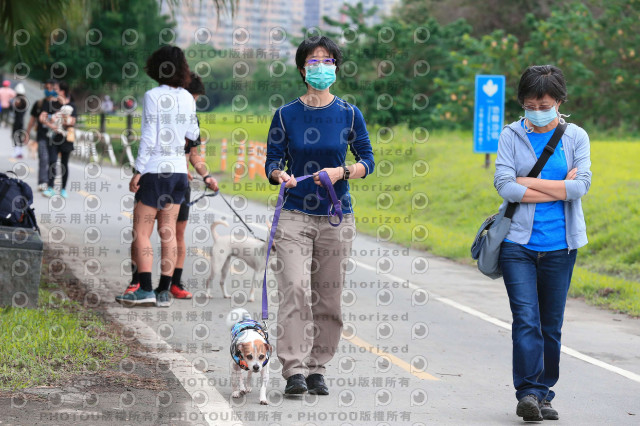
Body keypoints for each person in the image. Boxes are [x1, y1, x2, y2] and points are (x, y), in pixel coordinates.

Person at [265, 36, 375, 395]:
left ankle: (317, 368)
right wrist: (278, 175)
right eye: (314, 61)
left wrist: (342, 172)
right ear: (302, 68)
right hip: (294, 214)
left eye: (328, 61)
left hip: (335, 216)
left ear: (336, 69)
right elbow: (272, 161)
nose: (322, 67)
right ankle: (294, 369)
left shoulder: (349, 113)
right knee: (294, 288)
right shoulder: (285, 114)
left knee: (328, 296)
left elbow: (367, 161)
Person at [494, 65, 592, 422]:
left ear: (560, 102)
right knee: (526, 320)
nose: (537, 111)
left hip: (561, 246)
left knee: (550, 324)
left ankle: (545, 393)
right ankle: (528, 393)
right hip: (517, 244)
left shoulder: (576, 137)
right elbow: (505, 186)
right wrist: (558, 190)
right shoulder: (510, 135)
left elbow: (581, 188)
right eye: (531, 104)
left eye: (545, 103)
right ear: (522, 102)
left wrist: (528, 183)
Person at [120, 72, 218, 300]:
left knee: (175, 233)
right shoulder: (162, 110)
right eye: (193, 96)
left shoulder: (191, 117)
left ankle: (172, 283)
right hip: (155, 174)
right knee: (142, 232)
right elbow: (149, 138)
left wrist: (207, 176)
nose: (193, 102)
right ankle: (137, 282)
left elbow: (195, 155)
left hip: (178, 182)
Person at [115, 46, 198, 307]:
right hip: (178, 173)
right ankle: (164, 291)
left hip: (155, 171)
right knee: (168, 232)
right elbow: (193, 133)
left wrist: (138, 170)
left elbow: (149, 137)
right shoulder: (187, 97)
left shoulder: (152, 95)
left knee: (141, 231)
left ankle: (145, 289)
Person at [42, 81, 76, 198]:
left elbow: (72, 121)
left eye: (56, 89)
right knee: (52, 161)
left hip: (66, 138)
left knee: (64, 163)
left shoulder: (71, 105)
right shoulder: (50, 103)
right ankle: (50, 187)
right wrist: (52, 125)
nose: (54, 91)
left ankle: (63, 189)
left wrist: (65, 117)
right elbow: (42, 118)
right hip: (53, 137)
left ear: (63, 91)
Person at [26, 79, 60, 191]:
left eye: (50, 88)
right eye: (46, 88)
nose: (48, 90)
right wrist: (27, 133)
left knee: (52, 160)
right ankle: (42, 182)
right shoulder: (39, 103)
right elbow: (32, 120)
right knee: (43, 158)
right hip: (42, 135)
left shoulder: (60, 104)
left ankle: (50, 182)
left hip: (56, 137)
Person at [11, 83, 28, 159]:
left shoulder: (19, 100)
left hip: (18, 120)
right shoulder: (25, 100)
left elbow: (14, 109)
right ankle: (19, 152)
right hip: (21, 120)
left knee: (15, 135)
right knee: (18, 136)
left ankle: (17, 152)